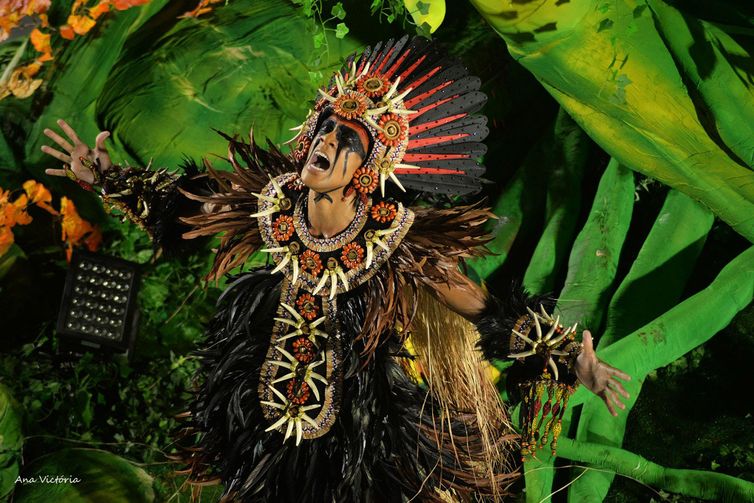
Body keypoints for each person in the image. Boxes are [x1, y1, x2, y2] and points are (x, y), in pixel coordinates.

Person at [42, 36, 631, 502]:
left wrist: (564, 359)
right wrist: (110, 178)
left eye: (347, 137)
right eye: (325, 126)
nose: (325, 139)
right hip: (257, 408)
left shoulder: (396, 238)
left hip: (357, 429)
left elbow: (481, 307)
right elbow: (188, 206)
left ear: (371, 165)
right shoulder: (270, 202)